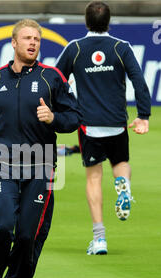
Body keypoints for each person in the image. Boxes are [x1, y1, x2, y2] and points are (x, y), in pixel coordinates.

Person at [0, 19, 82, 278]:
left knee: (28, 236)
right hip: (3, 163)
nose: (33, 43)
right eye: (28, 38)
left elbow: (73, 119)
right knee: (4, 225)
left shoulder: (52, 78)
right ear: (14, 42)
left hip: (41, 166)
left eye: (37, 39)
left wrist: (53, 118)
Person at [55, 1, 151, 255]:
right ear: (108, 21)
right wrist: (143, 116)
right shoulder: (121, 47)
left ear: (86, 21)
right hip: (117, 123)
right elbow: (139, 82)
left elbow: (54, 80)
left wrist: (64, 107)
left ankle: (99, 239)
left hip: (88, 125)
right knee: (121, 164)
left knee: (94, 178)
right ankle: (123, 185)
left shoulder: (75, 49)